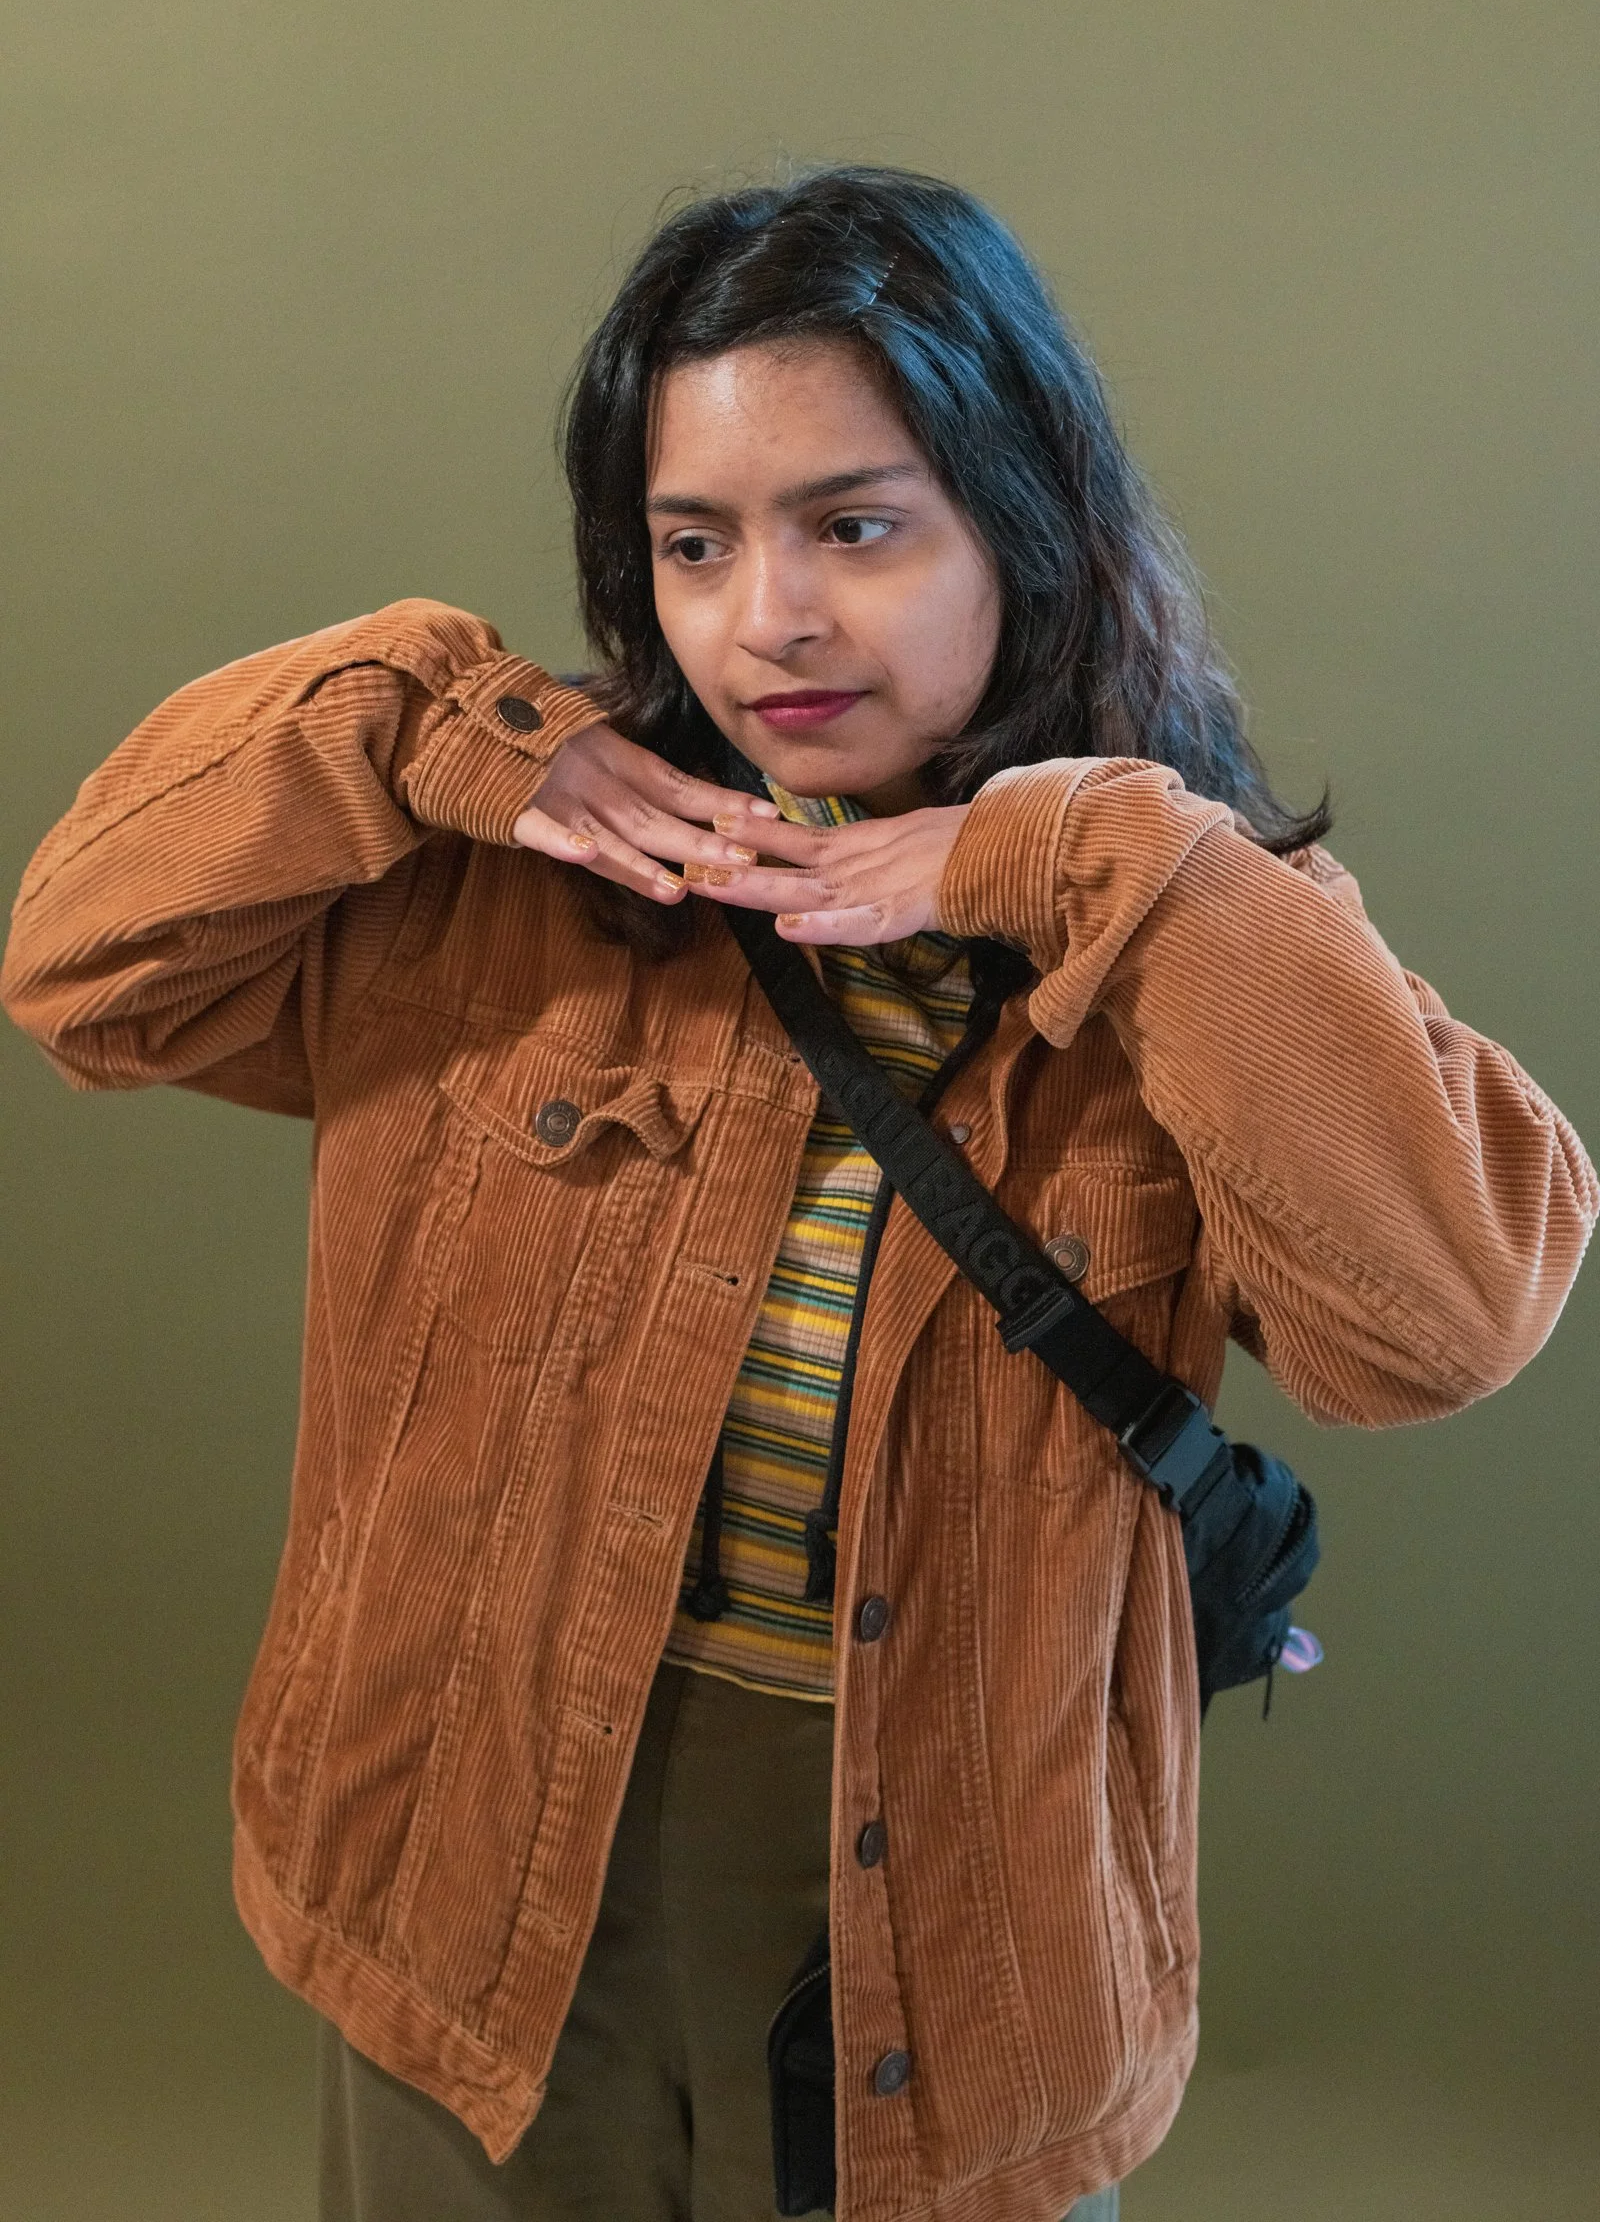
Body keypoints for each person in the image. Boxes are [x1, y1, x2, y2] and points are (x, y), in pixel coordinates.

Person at [4, 166, 1593, 2222]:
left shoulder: (1197, 939)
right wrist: (408, 716)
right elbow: (86, 973)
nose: (768, 618)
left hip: (949, 1923)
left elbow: (1435, 1327)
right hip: (471, 1865)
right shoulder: (510, 889)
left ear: (1018, 524)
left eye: (855, 526)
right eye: (695, 542)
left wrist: (1080, 864)